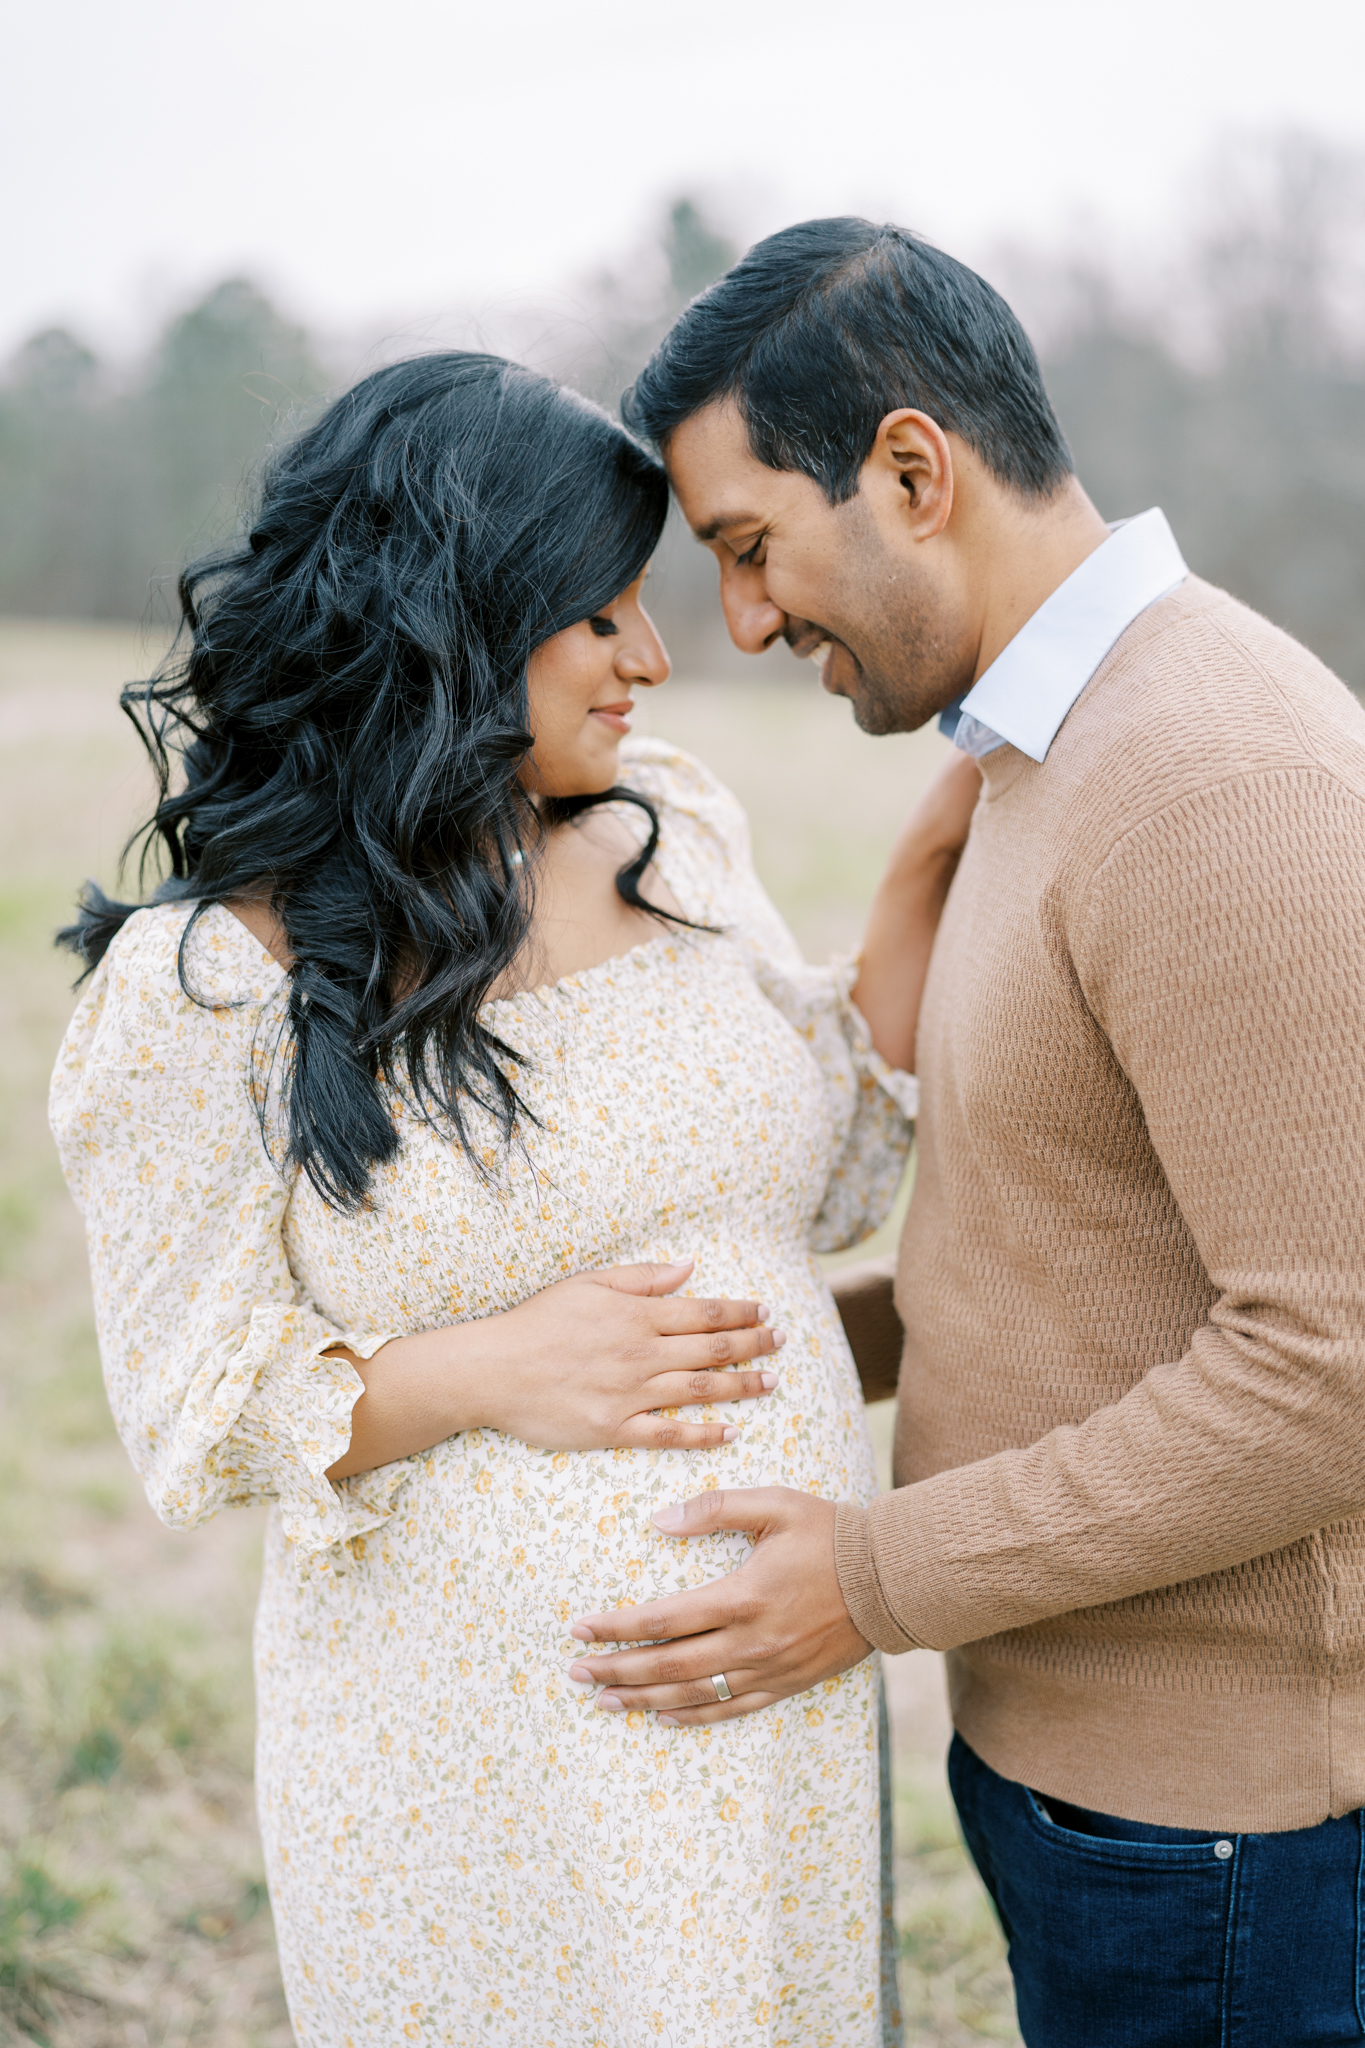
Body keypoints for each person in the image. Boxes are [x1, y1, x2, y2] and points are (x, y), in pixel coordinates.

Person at [49, 349, 982, 2048]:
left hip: (766, 1706)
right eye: (602, 611)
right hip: (470, 1753)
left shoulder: (669, 829)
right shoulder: (214, 981)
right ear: (455, 616)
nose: (652, 656)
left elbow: (825, 1164)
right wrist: (490, 1368)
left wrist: (932, 852)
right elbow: (190, 1407)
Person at [565, 219, 1365, 2046]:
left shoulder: (1214, 782)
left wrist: (863, 1582)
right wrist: (715, 1349)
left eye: (750, 550)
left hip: (1229, 1844)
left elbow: (1330, 1365)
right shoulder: (1039, 752)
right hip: (1080, 1783)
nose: (745, 625)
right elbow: (1058, 1242)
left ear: (911, 471)